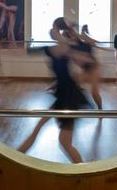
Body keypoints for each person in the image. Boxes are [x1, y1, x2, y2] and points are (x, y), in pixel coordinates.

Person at [18, 17, 92, 163]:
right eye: (52, 28)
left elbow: (86, 61)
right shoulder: (50, 49)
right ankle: (15, 158)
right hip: (63, 96)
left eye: (55, 28)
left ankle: (85, 172)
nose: (52, 30)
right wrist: (4, 48)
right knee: (40, 127)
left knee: (65, 143)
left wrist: (78, 55)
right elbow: (27, 52)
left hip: (70, 99)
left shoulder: (68, 49)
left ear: (60, 31)